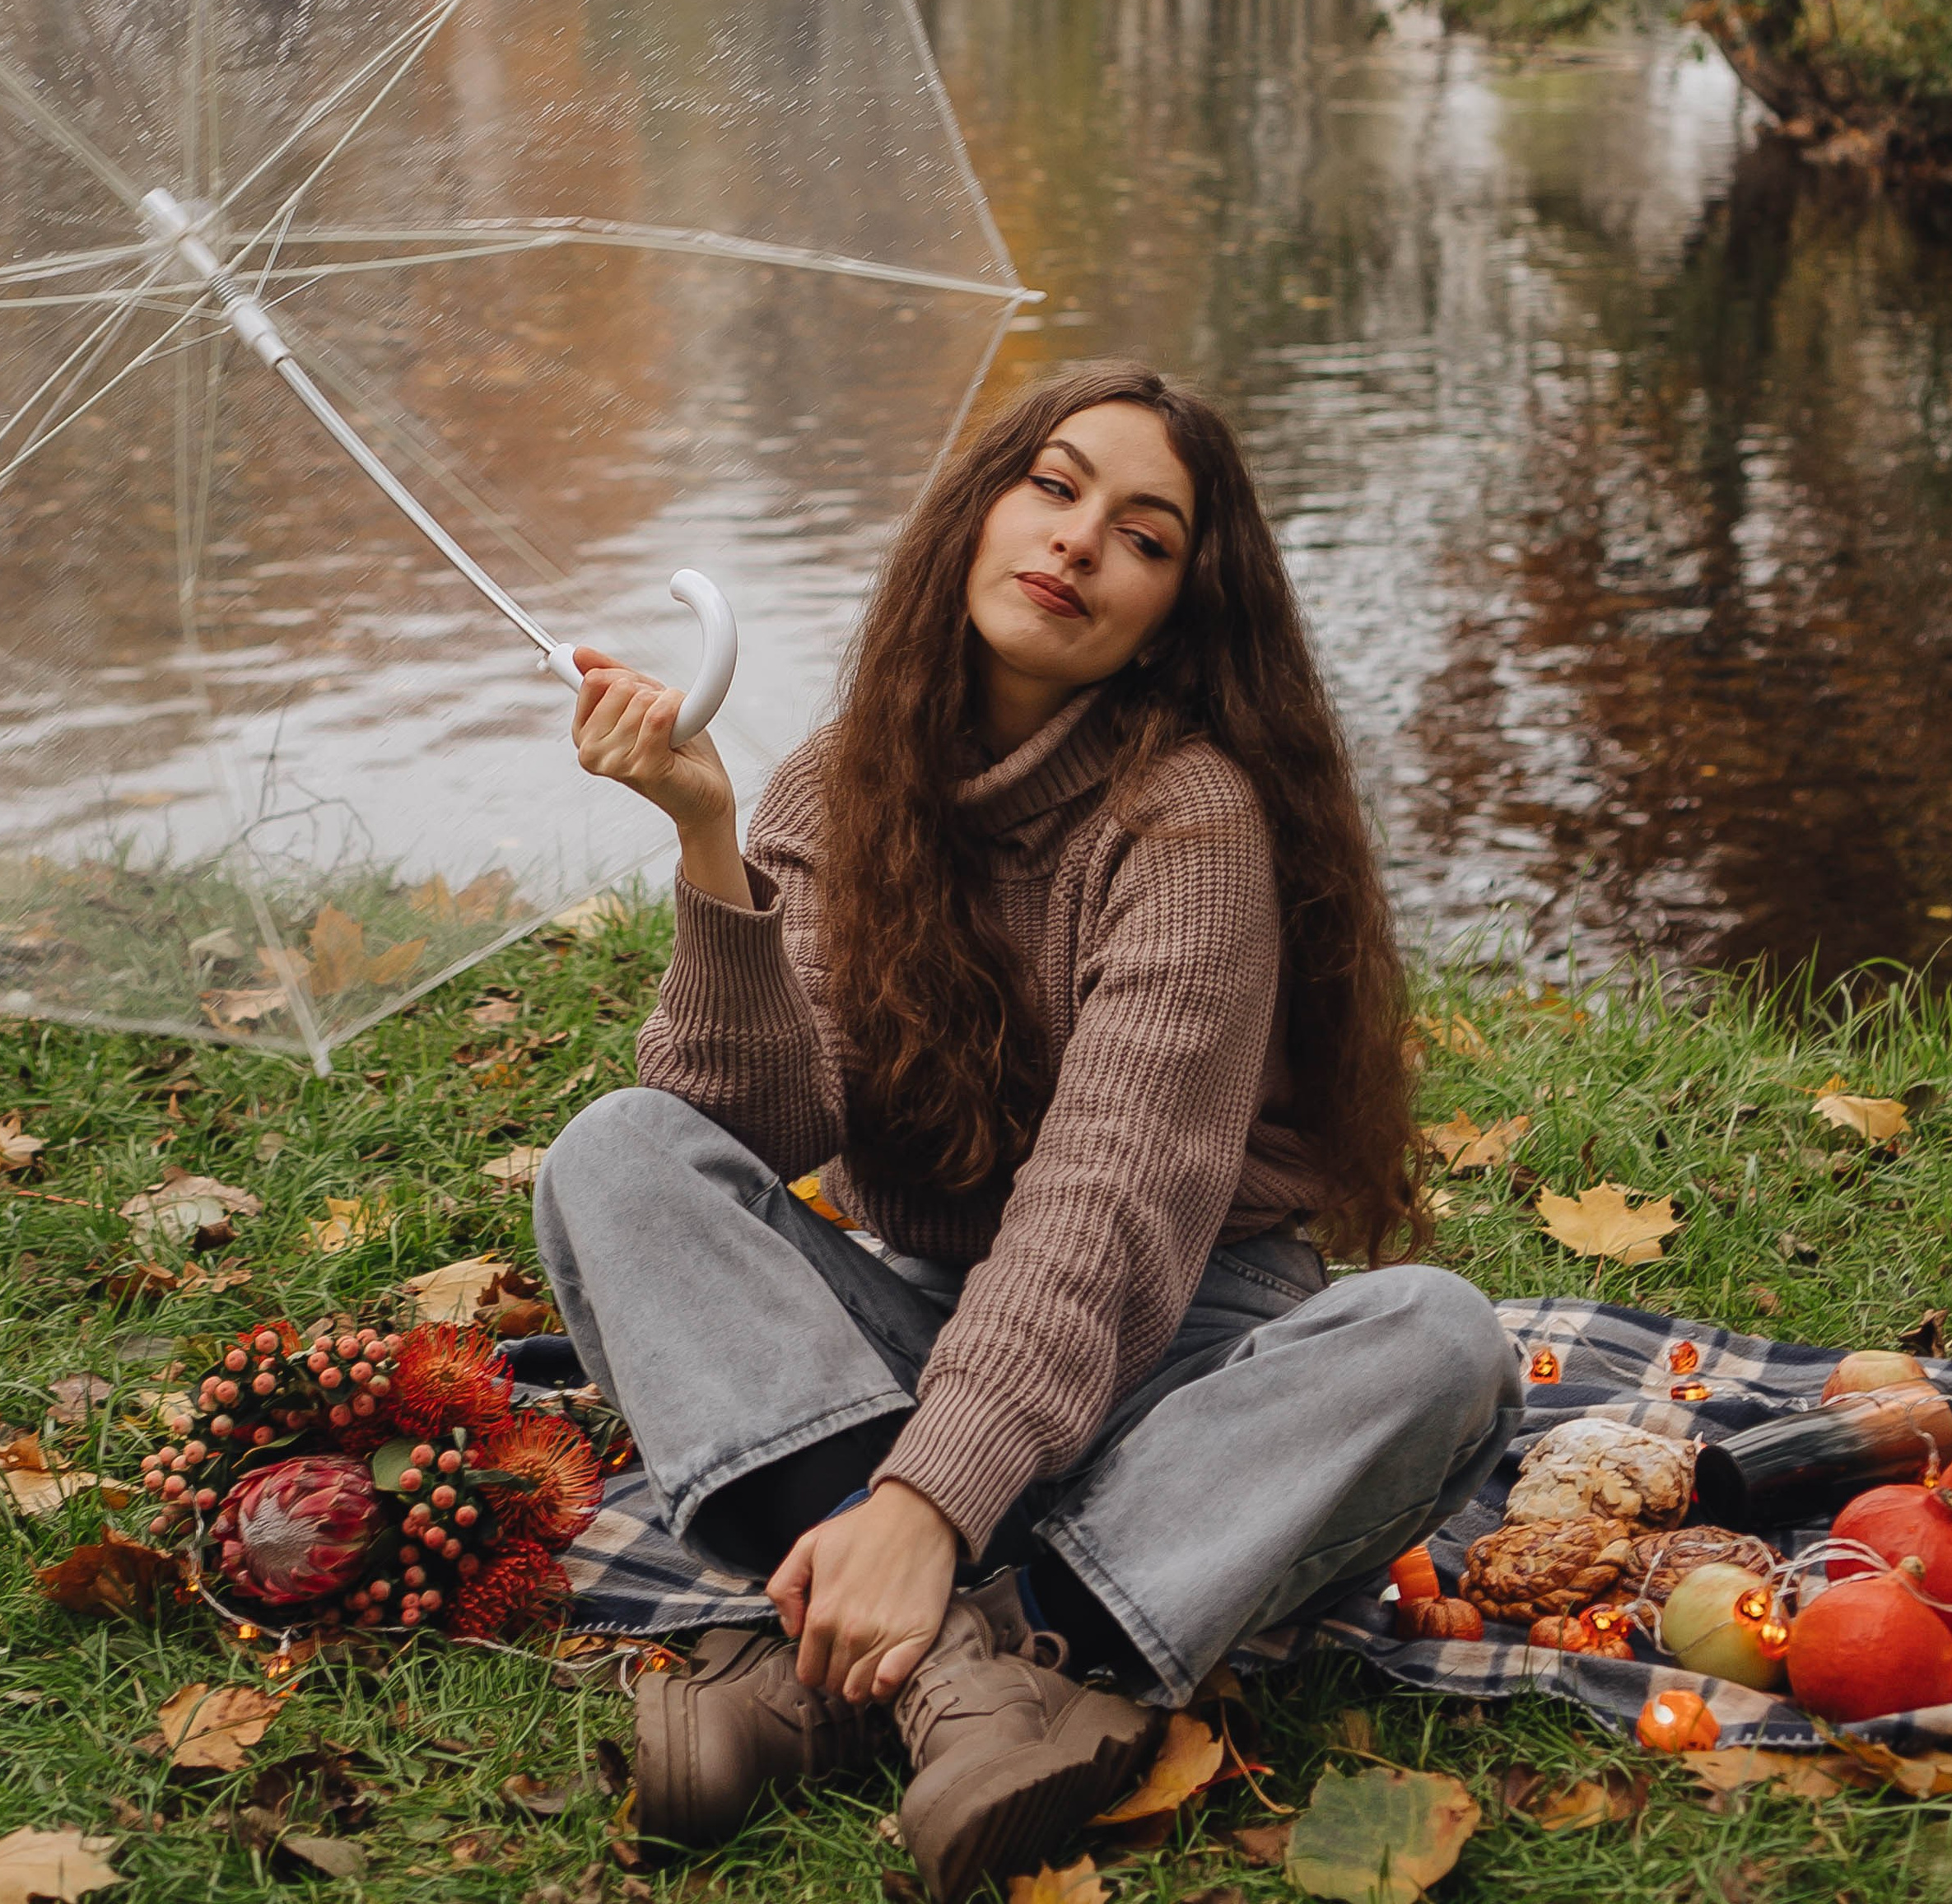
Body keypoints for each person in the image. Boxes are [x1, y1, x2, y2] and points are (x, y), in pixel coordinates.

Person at [533, 364, 1521, 1902]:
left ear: (1178, 610)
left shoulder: (1187, 822)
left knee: (1441, 1347)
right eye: (1053, 487)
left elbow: (1103, 1210)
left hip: (1186, 1340)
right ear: (981, 509)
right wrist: (710, 841)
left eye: (1143, 534)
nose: (1075, 544)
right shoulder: (840, 782)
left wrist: (931, 1504)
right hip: (918, 1330)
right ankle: (957, 1667)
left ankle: (960, 1638)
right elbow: (753, 1122)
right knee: (615, 1152)